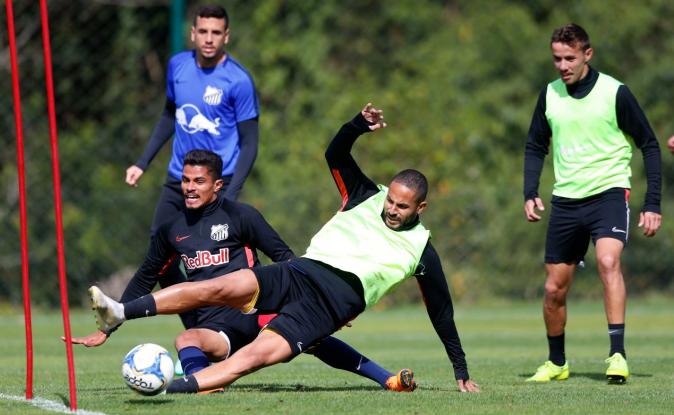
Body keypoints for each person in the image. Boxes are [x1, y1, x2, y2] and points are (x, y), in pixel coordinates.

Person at [89, 104, 480, 394]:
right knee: (223, 285)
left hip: (327, 307)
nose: (392, 210)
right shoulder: (365, 194)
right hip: (301, 271)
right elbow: (336, 154)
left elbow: (441, 310)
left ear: (420, 208)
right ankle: (120, 311)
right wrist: (356, 126)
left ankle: (167, 387)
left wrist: (459, 369)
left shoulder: (421, 249)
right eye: (391, 201)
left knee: (254, 358)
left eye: (402, 206)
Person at [69, 149, 416, 393]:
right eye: (185, 180)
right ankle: (202, 385)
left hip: (255, 308)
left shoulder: (241, 216)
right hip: (216, 327)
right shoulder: (170, 229)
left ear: (217, 185)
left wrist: (317, 298)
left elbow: (283, 255)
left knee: (315, 339)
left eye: (199, 181)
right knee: (185, 339)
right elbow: (147, 274)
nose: (190, 187)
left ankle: (386, 379)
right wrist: (110, 329)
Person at [523, 23, 662, 383]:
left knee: (607, 261)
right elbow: (536, 145)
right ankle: (557, 363)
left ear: (588, 54)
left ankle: (617, 354)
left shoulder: (615, 93)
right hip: (566, 201)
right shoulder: (550, 95)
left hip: (609, 194)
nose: (563, 65)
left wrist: (653, 203)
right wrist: (530, 191)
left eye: (570, 58)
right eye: (557, 58)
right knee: (554, 288)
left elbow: (648, 143)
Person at [125, 4, 259, 330]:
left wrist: (232, 192)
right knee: (160, 252)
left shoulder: (238, 80)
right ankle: (196, 326)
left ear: (226, 36)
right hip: (178, 180)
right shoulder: (177, 66)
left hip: (219, 183)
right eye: (203, 32)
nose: (209, 39)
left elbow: (250, 142)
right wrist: (143, 162)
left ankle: (253, 323)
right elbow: (170, 115)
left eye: (216, 33)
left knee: (221, 261)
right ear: (193, 33)